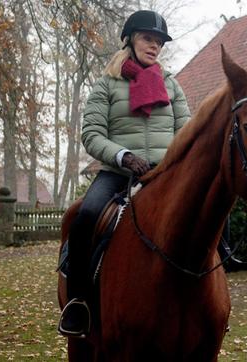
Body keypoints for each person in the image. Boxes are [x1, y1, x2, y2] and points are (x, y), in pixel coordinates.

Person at [58, 9, 190, 337]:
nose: (155, 46)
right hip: (118, 172)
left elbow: (186, 130)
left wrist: (175, 162)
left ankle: (206, 302)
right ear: (130, 40)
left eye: (159, 42)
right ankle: (78, 303)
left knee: (208, 216)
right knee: (85, 216)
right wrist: (123, 156)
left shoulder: (171, 85)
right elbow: (91, 133)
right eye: (148, 39)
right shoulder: (106, 85)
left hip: (163, 173)